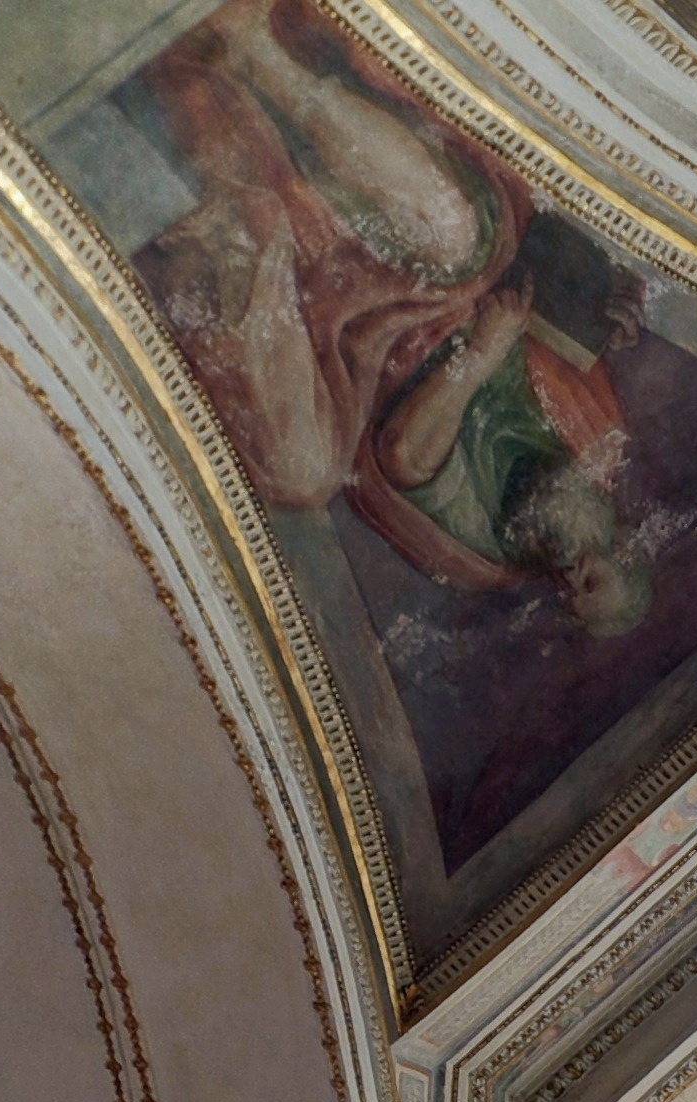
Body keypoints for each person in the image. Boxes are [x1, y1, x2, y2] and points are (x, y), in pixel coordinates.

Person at [136, 0, 652, 633]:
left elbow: (404, 455)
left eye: (571, 598)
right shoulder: (598, 436)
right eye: (591, 579)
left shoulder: (490, 553)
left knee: (301, 474)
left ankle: (230, 240)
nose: (570, 578)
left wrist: (480, 358)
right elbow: (551, 283)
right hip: (441, 294)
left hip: (358, 372)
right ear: (620, 543)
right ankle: (258, 55)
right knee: (454, 233)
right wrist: (609, 287)